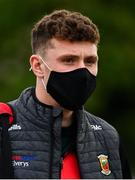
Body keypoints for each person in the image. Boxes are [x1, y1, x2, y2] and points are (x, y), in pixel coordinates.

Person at [0, 9, 131, 179]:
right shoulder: (4, 128)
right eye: (69, 60)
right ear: (38, 66)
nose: (82, 71)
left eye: (90, 61)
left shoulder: (108, 137)